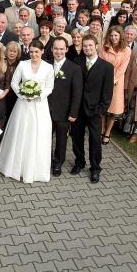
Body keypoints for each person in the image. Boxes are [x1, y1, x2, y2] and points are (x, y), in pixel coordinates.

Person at [0, 39, 54, 183]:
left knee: (37, 136)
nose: (34, 54)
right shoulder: (22, 65)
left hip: (40, 106)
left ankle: (35, 170)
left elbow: (49, 87)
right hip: (23, 105)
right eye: (32, 51)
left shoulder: (48, 67)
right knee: (20, 133)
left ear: (42, 51)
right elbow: (14, 83)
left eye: (37, 52)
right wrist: (24, 95)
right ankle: (14, 167)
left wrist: (37, 95)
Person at [70, 35, 114, 182]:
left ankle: (95, 168)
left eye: (90, 45)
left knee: (95, 140)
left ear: (96, 46)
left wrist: (100, 110)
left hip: (95, 110)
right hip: (78, 109)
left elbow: (107, 93)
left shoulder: (107, 67)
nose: (87, 48)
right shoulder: (77, 62)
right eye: (85, 46)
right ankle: (79, 162)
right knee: (77, 137)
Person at [48, 37, 83, 176]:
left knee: (61, 140)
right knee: (45, 138)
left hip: (64, 111)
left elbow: (77, 93)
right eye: (56, 48)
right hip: (45, 110)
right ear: (51, 49)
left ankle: (58, 163)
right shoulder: (45, 64)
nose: (58, 51)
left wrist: (73, 113)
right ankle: (46, 161)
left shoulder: (74, 68)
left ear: (67, 50)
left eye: (62, 49)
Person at [98, 25, 131, 143]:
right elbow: (100, 64)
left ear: (120, 36)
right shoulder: (104, 48)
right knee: (103, 108)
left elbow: (123, 68)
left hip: (117, 82)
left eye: (116, 35)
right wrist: (106, 80)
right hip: (103, 80)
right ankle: (101, 129)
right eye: (111, 35)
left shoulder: (127, 50)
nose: (113, 38)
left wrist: (113, 80)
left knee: (113, 109)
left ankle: (107, 132)